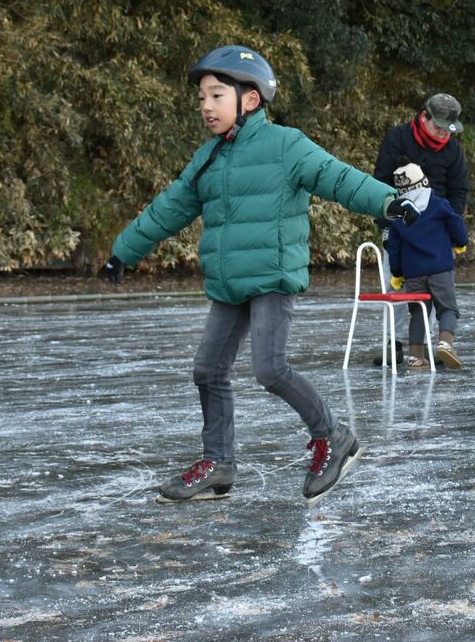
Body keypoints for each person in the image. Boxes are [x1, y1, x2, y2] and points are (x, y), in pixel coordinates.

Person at [103, 45, 419, 504]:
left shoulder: (285, 146)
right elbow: (169, 207)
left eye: (216, 95)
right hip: (230, 283)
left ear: (249, 100)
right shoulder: (209, 158)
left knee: (269, 368)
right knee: (207, 369)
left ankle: (334, 436)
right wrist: (123, 251)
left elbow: (339, 177)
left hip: (272, 275)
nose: (206, 106)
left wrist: (390, 201)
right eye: (201, 99)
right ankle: (219, 463)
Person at [372, 93, 470, 363]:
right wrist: (387, 226)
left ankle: (439, 345)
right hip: (400, 226)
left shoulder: (453, 151)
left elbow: (459, 192)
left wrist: (452, 226)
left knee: (441, 292)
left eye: (447, 130)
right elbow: (380, 182)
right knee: (397, 285)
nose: (442, 134)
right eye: (438, 126)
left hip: (436, 232)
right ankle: (395, 344)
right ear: (423, 116)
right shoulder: (398, 138)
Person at [386, 161, 468, 369]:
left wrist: (397, 273)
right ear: (423, 182)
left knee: (418, 312)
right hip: (440, 267)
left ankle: (415, 356)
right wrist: (461, 242)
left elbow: (393, 248)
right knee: (448, 308)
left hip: (413, 274)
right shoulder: (438, 203)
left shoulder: (397, 216)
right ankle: (446, 343)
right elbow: (456, 224)